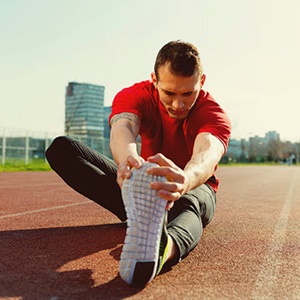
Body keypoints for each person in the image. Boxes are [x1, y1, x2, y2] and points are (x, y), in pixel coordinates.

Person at [46, 40, 231, 287]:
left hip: (194, 187)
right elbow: (124, 128)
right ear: (154, 80)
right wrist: (127, 163)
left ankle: (165, 247)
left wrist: (185, 180)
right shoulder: (135, 95)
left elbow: (206, 155)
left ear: (202, 82)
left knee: (188, 204)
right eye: (169, 93)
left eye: (188, 93)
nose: (179, 104)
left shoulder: (213, 113)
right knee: (61, 149)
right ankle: (143, 213)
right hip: (145, 188)